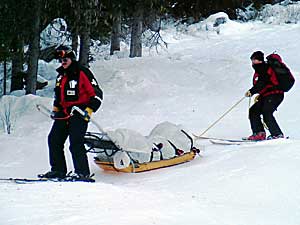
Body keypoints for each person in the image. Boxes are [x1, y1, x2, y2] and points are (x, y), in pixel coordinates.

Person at [39, 46, 103, 182]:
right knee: (54, 140)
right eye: (61, 59)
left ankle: (82, 173)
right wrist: (56, 110)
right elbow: (58, 95)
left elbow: (97, 94)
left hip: (79, 113)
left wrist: (89, 109)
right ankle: (58, 170)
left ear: (72, 58)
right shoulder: (61, 75)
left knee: (75, 142)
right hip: (63, 114)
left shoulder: (82, 72)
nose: (63, 61)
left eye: (65, 59)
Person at [245, 51, 284, 141]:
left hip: (274, 94)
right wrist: (260, 94)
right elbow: (264, 83)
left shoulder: (263, 68)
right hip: (268, 95)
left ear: (259, 60)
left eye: (254, 60)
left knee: (267, 112)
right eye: (252, 60)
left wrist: (252, 91)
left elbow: (262, 82)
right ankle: (259, 133)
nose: (253, 62)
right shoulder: (261, 69)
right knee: (254, 111)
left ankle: (277, 134)